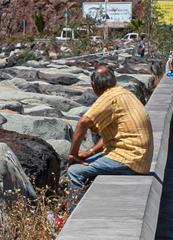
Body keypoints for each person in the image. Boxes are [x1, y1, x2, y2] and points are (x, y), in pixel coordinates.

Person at [66, 66, 154, 198]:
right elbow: (115, 134)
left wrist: (73, 154)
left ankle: (73, 214)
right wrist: (90, 152)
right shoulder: (126, 93)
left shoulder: (107, 98)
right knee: (87, 161)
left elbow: (83, 122)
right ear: (114, 81)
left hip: (130, 159)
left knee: (74, 171)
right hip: (140, 159)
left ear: (93, 85)